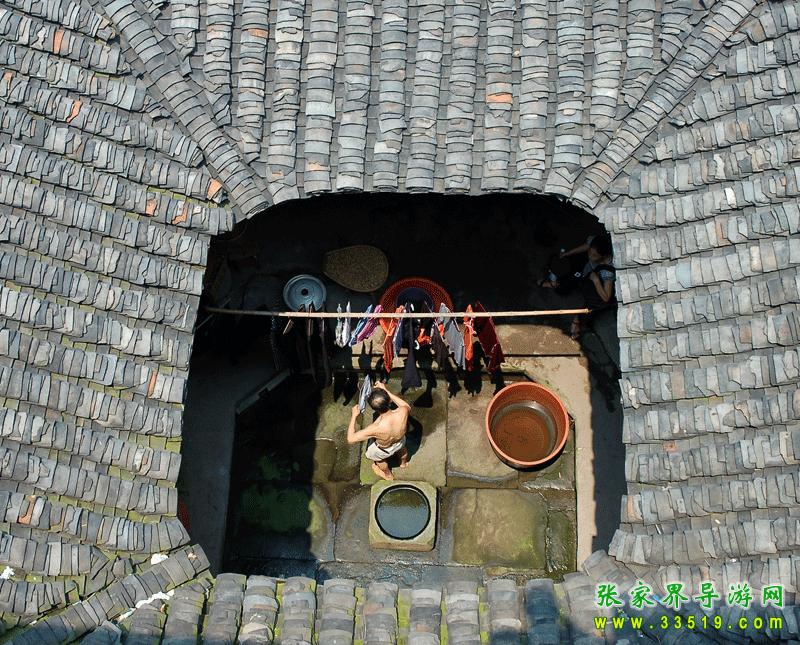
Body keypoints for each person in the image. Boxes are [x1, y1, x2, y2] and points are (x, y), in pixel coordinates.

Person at [539, 233, 616, 339]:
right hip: (588, 270)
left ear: (604, 256)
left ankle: (577, 322)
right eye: (590, 252)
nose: (590, 256)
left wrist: (596, 280)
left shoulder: (607, 272)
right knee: (565, 279)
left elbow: (606, 297)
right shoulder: (596, 243)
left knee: (595, 302)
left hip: (595, 279)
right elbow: (586, 246)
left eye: (594, 255)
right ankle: (555, 283)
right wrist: (567, 254)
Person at [347, 382, 410, 481]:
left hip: (383, 449)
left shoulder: (375, 428)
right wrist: (386, 391)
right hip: (400, 441)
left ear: (374, 409)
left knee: (380, 461)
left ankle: (388, 475)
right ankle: (403, 463)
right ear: (389, 400)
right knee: (402, 451)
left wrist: (354, 416)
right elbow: (405, 405)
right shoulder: (403, 411)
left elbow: (350, 439)